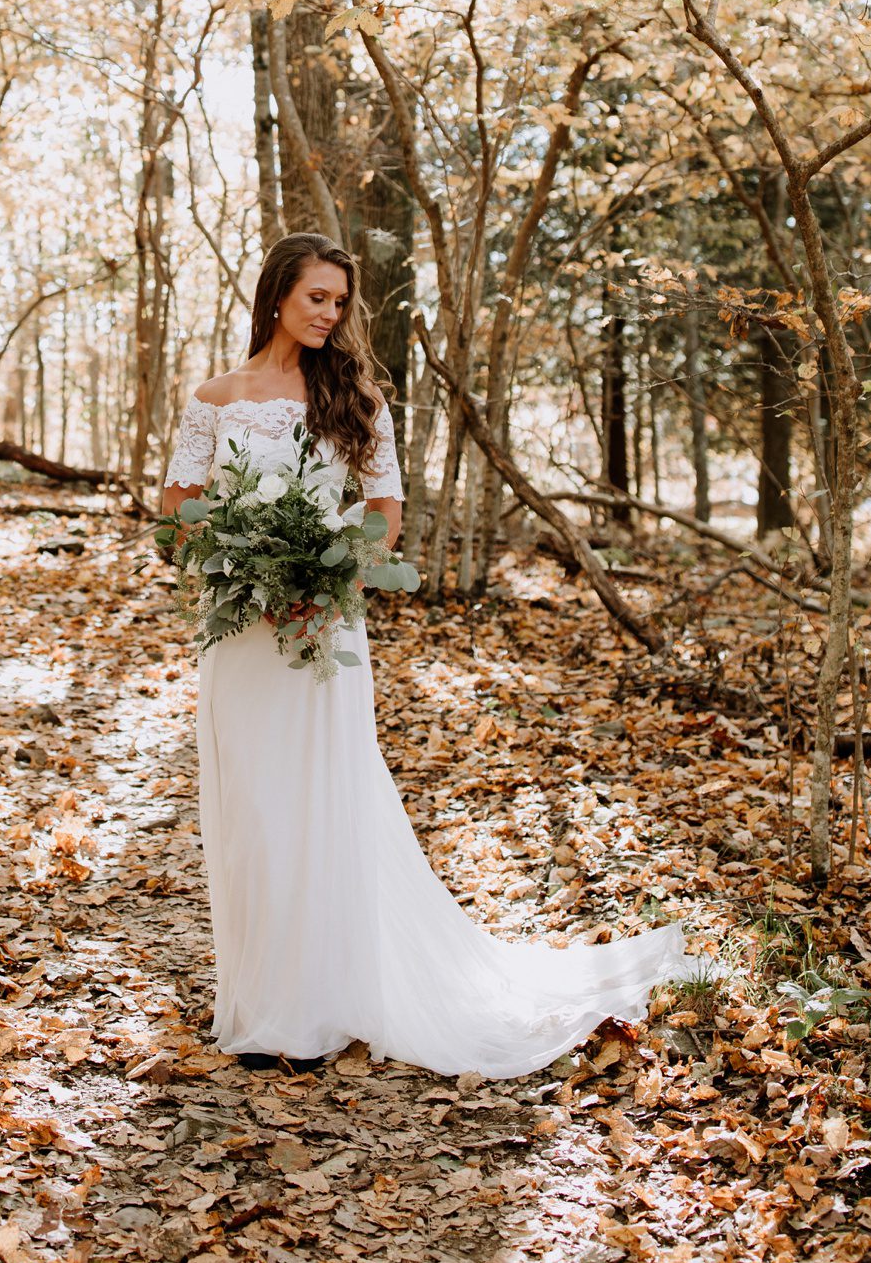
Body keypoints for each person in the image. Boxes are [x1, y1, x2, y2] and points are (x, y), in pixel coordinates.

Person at [161, 230, 685, 1076]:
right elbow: (179, 504)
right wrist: (247, 555)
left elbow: (382, 515)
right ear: (275, 297)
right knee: (252, 816)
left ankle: (313, 1009)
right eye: (316, 298)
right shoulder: (214, 398)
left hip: (322, 631)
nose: (331, 314)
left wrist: (324, 578)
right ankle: (259, 1001)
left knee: (320, 809)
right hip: (243, 632)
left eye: (339, 301)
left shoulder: (359, 398)